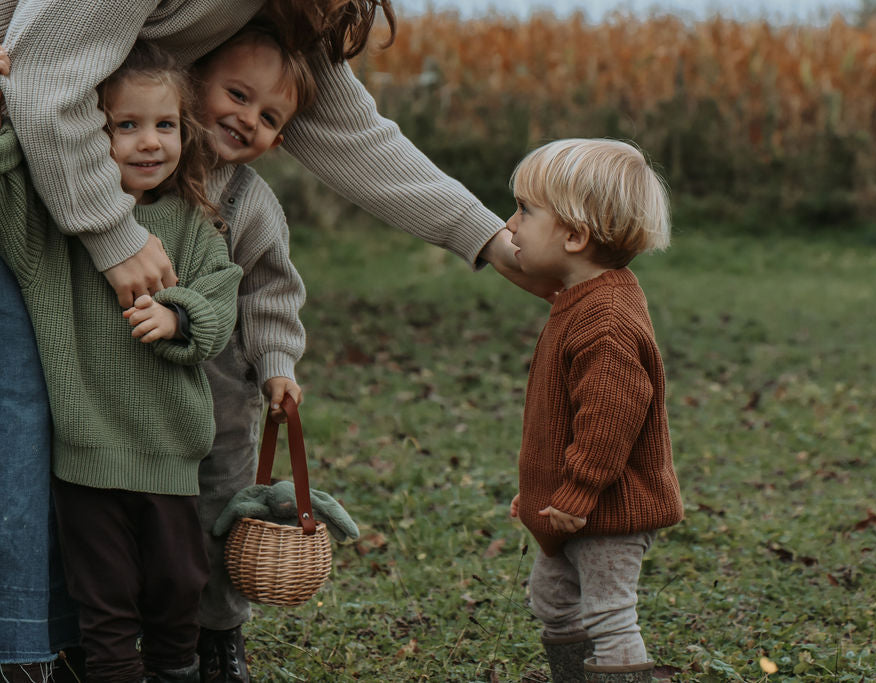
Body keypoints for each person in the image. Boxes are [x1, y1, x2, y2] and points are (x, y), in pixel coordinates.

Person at [0, 0, 554, 677]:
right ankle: (38, 646)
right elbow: (40, 78)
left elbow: (351, 139)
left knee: (174, 498)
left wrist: (491, 240)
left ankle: (156, 639)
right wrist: (112, 232)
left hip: (177, 372)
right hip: (29, 167)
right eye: (236, 97)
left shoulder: (265, 93)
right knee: (30, 421)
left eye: (270, 117)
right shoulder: (139, 179)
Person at [0, 41, 242, 682]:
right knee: (102, 604)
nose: (148, 143)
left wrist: (178, 314)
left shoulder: (191, 224)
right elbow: (8, 182)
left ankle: (174, 671)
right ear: (88, 135)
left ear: (183, 132)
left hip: (169, 453)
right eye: (124, 126)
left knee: (176, 589)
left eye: (163, 125)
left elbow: (222, 296)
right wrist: (7, 105)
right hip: (87, 457)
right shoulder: (59, 231)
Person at [505, 139, 684, 683]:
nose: (509, 225)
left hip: (607, 508)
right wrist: (539, 488)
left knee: (607, 613)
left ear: (575, 236)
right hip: (569, 506)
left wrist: (578, 492)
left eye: (524, 211)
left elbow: (610, 421)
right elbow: (562, 419)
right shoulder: (579, 297)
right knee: (554, 602)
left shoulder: (605, 320)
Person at [188, 23, 316, 680]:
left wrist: (276, 368)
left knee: (220, 509)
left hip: (219, 395)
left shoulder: (251, 204)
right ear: (194, 80)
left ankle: (219, 633)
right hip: (126, 391)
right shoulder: (138, 163)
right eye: (237, 95)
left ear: (279, 140)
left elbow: (269, 293)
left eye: (268, 117)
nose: (247, 119)